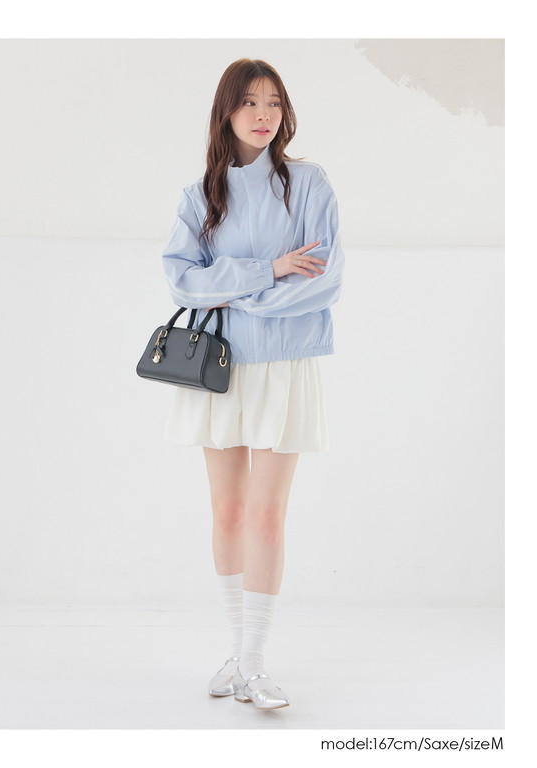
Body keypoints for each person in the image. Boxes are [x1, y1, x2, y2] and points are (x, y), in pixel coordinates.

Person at [159, 58, 345, 710]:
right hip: (219, 370)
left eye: (273, 102)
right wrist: (268, 270)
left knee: (267, 514)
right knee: (229, 513)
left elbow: (324, 279)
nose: (263, 115)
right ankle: (237, 655)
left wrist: (237, 293)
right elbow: (182, 280)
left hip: (285, 368)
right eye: (249, 102)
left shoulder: (308, 184)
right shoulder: (200, 196)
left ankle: (255, 663)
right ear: (227, 112)